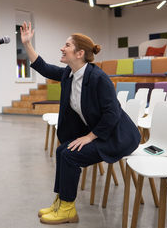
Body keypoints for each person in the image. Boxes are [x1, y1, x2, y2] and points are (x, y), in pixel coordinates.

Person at [19, 22, 140, 224]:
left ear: (79, 53)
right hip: (102, 133)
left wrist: (90, 137)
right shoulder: (69, 74)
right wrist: (27, 44)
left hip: (117, 136)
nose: (62, 48)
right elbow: (45, 68)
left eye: (66, 45)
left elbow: (112, 113)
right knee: (62, 151)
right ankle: (61, 201)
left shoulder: (99, 78)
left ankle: (68, 209)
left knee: (70, 156)